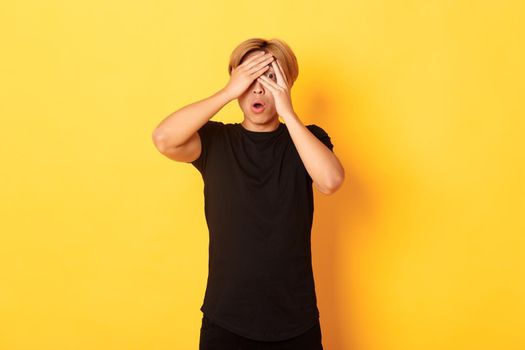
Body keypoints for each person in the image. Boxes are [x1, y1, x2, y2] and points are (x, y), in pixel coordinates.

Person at [151, 37, 345, 350]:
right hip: (226, 319)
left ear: (288, 84)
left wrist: (288, 113)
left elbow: (331, 181)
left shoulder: (307, 140)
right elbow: (164, 138)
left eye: (270, 78)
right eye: (249, 78)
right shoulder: (216, 141)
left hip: (296, 321)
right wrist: (228, 91)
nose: (258, 89)